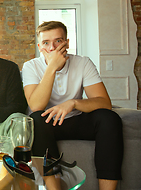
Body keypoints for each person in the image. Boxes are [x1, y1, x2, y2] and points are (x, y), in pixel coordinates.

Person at [22, 21, 123, 190]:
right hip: (49, 124)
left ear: (67, 43)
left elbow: (104, 102)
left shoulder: (83, 63)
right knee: (36, 120)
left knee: (110, 118)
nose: (52, 47)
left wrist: (74, 103)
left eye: (58, 41)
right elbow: (36, 105)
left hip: (76, 119)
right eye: (46, 43)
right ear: (40, 47)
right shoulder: (30, 66)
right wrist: (52, 67)